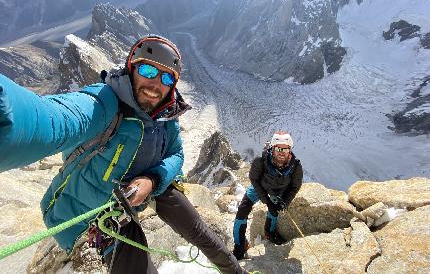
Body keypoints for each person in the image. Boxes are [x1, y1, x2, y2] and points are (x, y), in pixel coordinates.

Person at [0, 35, 245, 274]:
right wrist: (7, 120)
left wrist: (153, 180)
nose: (156, 84)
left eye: (167, 78)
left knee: (199, 230)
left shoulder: (165, 114)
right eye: (148, 71)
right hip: (104, 209)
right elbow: (54, 120)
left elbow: (176, 153)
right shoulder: (104, 103)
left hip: (148, 183)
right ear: (131, 68)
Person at [232, 131, 303, 260]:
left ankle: (269, 232)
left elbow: (294, 186)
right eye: (279, 148)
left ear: (290, 150)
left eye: (285, 149)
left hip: (278, 192)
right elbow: (254, 179)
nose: (282, 152)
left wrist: (285, 201)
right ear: (272, 148)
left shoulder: (295, 166)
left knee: (274, 211)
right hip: (260, 188)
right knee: (242, 210)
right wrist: (267, 202)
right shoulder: (260, 161)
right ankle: (239, 245)